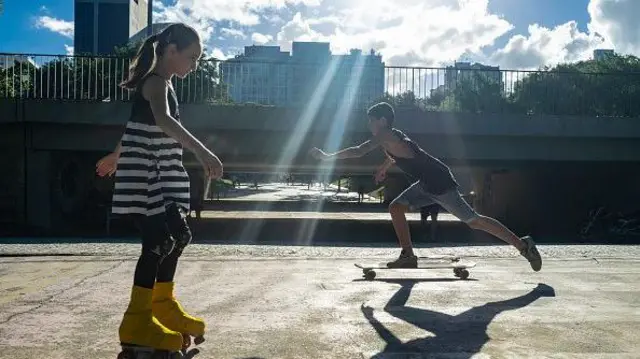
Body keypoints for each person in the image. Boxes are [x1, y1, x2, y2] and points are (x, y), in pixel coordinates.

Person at [95, 23, 223, 356]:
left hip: (163, 175)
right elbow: (163, 121)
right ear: (170, 52)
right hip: (148, 178)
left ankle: (161, 304)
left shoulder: (163, 84)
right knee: (158, 242)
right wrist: (202, 151)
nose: (194, 65)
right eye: (192, 58)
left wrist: (115, 154)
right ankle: (137, 319)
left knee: (177, 236)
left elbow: (136, 126)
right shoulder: (155, 83)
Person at [310, 102, 542, 271]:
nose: (369, 125)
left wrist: (326, 156)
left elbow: (358, 151)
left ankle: (523, 245)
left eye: (371, 120)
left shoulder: (385, 134)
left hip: (439, 182)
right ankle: (408, 255)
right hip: (426, 183)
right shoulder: (393, 137)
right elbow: (398, 154)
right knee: (396, 207)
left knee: (473, 220)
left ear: (381, 121)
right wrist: (384, 167)